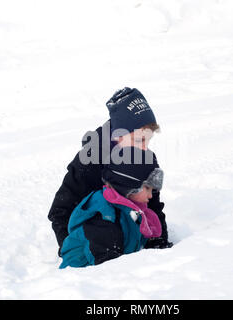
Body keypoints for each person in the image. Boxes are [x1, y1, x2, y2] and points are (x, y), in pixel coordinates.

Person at [48, 87, 173, 257]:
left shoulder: (143, 156)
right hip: (92, 240)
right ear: (118, 135)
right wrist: (72, 248)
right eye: (139, 139)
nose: (145, 147)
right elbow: (60, 210)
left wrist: (158, 240)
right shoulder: (92, 159)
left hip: (126, 233)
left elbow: (152, 203)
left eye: (148, 140)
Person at [59, 147, 164, 268]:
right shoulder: (106, 222)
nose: (151, 195)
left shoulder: (131, 210)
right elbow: (109, 272)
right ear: (128, 185)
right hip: (79, 278)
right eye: (147, 188)